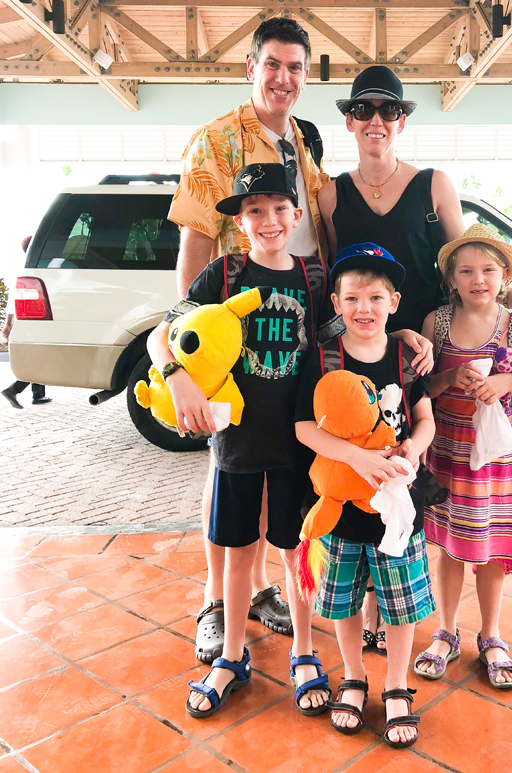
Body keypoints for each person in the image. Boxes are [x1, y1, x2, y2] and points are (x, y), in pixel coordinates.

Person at [317, 65, 512, 649]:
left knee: (422, 475)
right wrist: (376, 336)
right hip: (368, 348)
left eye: (388, 110)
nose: (376, 120)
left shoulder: (434, 185)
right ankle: (371, 619)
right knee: (366, 472)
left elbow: (467, 263)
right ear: (349, 119)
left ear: (400, 121)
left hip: (432, 353)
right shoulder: (328, 194)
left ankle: (419, 612)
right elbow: (332, 290)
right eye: (364, 109)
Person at [168, 16, 330, 658]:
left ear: (305, 76)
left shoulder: (303, 146)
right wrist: (194, 351)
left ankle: (260, 589)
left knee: (276, 468)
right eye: (273, 65)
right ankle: (217, 597)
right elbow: (196, 244)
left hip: (296, 327)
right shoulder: (215, 142)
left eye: (295, 67)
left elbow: (317, 229)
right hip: (235, 336)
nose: (283, 78)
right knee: (230, 467)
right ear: (250, 68)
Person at [149, 162, 334, 718]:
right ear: (239, 221)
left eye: (279, 209)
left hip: (298, 446)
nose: (269, 220)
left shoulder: (315, 277)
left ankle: (304, 649)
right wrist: (177, 377)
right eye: (255, 210)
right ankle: (231, 656)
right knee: (236, 553)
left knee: (294, 550)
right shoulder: (223, 277)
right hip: (236, 446)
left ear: (297, 215)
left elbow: (342, 345)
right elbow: (165, 335)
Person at [295, 243, 435, 748]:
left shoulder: (404, 357)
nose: (364, 308)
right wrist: (356, 458)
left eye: (375, 298)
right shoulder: (323, 358)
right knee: (344, 601)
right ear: (336, 302)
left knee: (400, 605)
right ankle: (353, 675)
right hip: (342, 515)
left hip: (395, 514)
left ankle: (397, 682)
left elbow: (424, 418)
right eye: (352, 297)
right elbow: (305, 427)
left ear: (393, 302)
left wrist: (414, 450)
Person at [413, 224, 512, 689]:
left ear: (504, 276)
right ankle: (447, 630)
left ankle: (492, 635)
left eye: (488, 270)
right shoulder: (436, 323)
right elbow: (423, 390)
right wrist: (448, 376)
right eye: (466, 271)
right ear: (451, 278)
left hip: (498, 458)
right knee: (453, 546)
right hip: (448, 449)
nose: (478, 279)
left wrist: (508, 384)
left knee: (492, 547)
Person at [2, 236, 51, 409]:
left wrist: (8, 323)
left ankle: (38, 394)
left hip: (29, 319)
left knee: (39, 354)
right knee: (41, 356)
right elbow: (16, 297)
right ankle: (14, 389)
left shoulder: (27, 264)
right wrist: (8, 323)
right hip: (35, 318)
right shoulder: (32, 266)